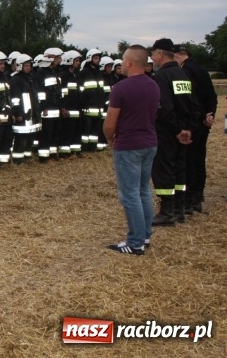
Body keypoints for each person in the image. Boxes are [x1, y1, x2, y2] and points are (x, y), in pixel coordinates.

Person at [103, 45, 160, 255]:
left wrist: (109, 138)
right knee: (144, 190)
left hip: (129, 145)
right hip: (149, 142)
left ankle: (135, 243)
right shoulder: (153, 85)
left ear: (129, 62)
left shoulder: (121, 88)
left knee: (130, 194)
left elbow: (110, 123)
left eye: (122, 59)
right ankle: (144, 236)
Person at [149, 38, 195, 226]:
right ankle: (179, 209)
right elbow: (193, 105)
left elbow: (164, 108)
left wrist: (176, 130)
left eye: (153, 54)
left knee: (164, 169)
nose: (152, 58)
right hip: (183, 130)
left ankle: (166, 212)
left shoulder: (161, 76)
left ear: (160, 53)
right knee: (179, 168)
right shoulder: (183, 74)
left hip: (167, 131)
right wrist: (188, 129)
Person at [173, 44, 217, 213]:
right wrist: (210, 114)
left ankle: (189, 199)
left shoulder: (185, 71)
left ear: (177, 55)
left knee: (188, 161)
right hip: (203, 123)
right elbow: (211, 95)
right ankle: (198, 195)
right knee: (199, 159)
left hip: (192, 124)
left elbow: (189, 100)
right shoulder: (202, 70)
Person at [9, 54, 41, 164]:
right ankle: (18, 160)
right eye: (25, 65)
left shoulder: (29, 78)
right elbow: (15, 99)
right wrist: (18, 113)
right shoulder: (16, 80)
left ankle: (27, 158)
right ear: (19, 66)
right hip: (22, 114)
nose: (28, 68)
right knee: (21, 138)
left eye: (29, 65)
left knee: (30, 137)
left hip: (31, 114)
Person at [35, 47, 64, 162]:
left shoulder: (56, 72)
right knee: (46, 133)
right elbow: (40, 92)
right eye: (58, 58)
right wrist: (43, 107)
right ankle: (43, 156)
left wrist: (61, 106)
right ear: (51, 58)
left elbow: (58, 91)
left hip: (56, 108)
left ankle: (52, 154)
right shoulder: (41, 72)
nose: (60, 60)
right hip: (47, 109)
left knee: (55, 132)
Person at [78, 49, 105, 152]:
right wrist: (83, 105)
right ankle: (85, 148)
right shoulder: (84, 73)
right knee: (86, 130)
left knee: (95, 131)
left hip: (98, 108)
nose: (98, 60)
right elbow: (80, 91)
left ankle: (92, 148)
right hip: (88, 108)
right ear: (90, 59)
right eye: (95, 58)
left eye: (98, 58)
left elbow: (101, 90)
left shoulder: (99, 73)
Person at [58, 50, 83, 158]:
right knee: (67, 130)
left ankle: (75, 150)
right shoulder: (64, 75)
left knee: (76, 130)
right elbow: (62, 93)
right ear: (69, 61)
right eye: (76, 60)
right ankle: (64, 152)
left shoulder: (75, 75)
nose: (78, 62)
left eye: (79, 60)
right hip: (68, 107)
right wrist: (64, 107)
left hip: (76, 107)